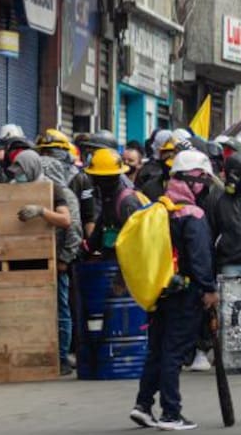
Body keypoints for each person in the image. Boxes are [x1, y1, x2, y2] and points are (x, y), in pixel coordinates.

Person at [130, 150, 219, 431]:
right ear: (192, 180)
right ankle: (171, 412)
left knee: (157, 349)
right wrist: (208, 289)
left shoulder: (160, 209)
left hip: (161, 291)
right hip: (186, 293)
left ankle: (143, 405)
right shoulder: (192, 214)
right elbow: (199, 257)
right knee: (174, 352)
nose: (205, 187)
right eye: (202, 180)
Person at [11, 150, 83, 375]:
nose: (18, 176)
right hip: (22, 260)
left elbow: (67, 222)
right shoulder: (13, 187)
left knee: (59, 310)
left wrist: (41, 211)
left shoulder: (55, 190)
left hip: (52, 260)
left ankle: (60, 358)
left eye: (21, 171)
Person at [36, 129, 97, 238]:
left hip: (70, 240)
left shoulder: (79, 178)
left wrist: (91, 246)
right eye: (43, 152)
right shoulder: (34, 175)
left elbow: (89, 216)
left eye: (50, 152)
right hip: (39, 238)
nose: (46, 157)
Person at [84, 148, 147, 251]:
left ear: (103, 178)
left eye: (94, 176)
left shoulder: (126, 203)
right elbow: (99, 229)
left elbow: (139, 242)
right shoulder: (108, 197)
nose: (92, 180)